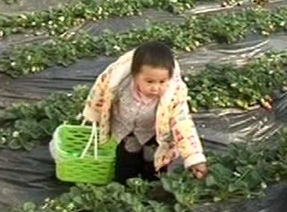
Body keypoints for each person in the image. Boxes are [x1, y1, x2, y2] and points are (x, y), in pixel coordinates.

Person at [83, 41, 208, 183]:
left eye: (162, 82)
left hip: (156, 136)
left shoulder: (173, 96)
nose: (156, 88)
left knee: (154, 167)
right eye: (149, 81)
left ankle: (150, 191)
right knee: (126, 163)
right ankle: (124, 189)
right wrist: (94, 112)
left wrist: (193, 158)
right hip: (126, 132)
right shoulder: (119, 84)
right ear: (135, 75)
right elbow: (100, 92)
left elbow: (183, 124)